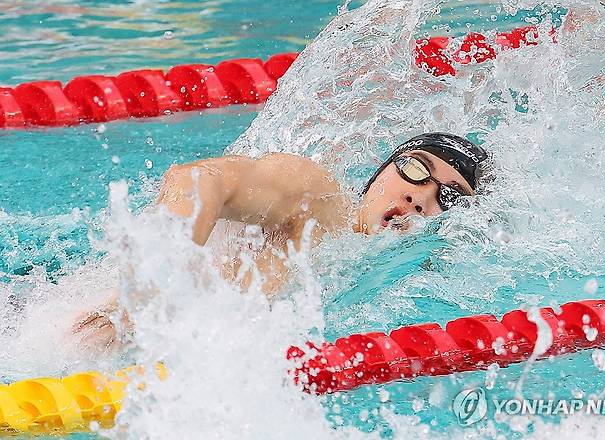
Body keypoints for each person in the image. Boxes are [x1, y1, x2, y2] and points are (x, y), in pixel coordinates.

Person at [72, 132, 488, 351]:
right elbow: (197, 181)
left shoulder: (385, 280)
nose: (422, 197)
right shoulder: (319, 201)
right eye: (417, 168)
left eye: (448, 198)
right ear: (382, 170)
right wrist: (159, 286)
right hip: (95, 329)